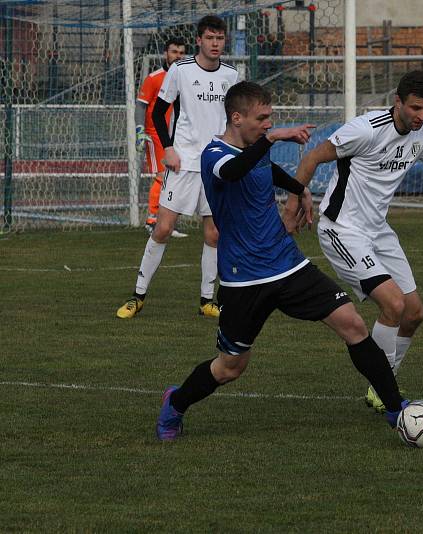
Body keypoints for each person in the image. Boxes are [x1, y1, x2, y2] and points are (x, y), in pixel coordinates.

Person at [156, 81, 407, 441]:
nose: (268, 124)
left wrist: (298, 188)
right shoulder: (214, 154)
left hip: (288, 265)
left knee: (352, 324)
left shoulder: (255, 148)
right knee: (230, 367)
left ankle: (396, 409)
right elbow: (234, 172)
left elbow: (265, 170)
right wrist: (270, 140)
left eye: (270, 118)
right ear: (237, 117)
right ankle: (175, 403)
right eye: (262, 118)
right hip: (244, 280)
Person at [282, 70, 423, 413]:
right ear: (398, 101)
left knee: (414, 313)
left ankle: (380, 384)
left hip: (379, 231)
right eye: (416, 108)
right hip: (343, 230)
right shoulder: (365, 129)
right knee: (393, 305)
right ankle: (387, 392)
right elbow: (310, 158)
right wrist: (293, 204)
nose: (422, 116)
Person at [116, 15, 239, 319]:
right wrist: (168, 150)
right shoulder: (181, 71)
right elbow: (158, 113)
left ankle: (206, 301)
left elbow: (235, 119)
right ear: (199, 40)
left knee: (213, 234)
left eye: (220, 38)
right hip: (183, 162)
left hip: (216, 164)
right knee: (164, 228)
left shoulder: (232, 75)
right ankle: (137, 296)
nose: (215, 43)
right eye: (210, 38)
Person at [135, 37, 188, 238]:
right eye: (174, 52)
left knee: (175, 177)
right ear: (166, 53)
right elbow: (141, 104)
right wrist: (140, 131)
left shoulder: (186, 78)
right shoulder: (154, 77)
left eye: (182, 53)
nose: (178, 56)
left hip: (178, 135)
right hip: (156, 134)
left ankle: (167, 221)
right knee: (162, 176)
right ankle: (152, 220)